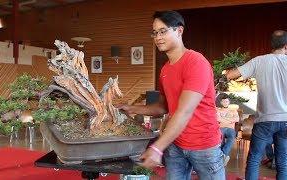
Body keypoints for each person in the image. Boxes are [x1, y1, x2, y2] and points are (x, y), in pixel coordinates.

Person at [117, 11, 225, 180]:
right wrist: (131, 108)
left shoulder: (196, 62)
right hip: (175, 144)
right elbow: (163, 107)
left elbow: (184, 111)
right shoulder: (165, 70)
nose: (157, 37)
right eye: (154, 33)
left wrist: (157, 148)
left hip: (204, 145)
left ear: (179, 31)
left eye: (163, 31)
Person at [226, 30, 287, 180]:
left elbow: (230, 75)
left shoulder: (259, 61)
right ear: (286, 46)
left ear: (271, 44)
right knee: (283, 162)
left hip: (265, 120)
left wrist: (225, 72)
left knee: (254, 160)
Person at [216, 93, 239, 166]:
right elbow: (217, 118)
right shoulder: (218, 110)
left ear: (229, 102)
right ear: (221, 102)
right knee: (220, 139)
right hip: (221, 128)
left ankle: (223, 155)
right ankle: (223, 158)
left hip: (230, 129)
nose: (225, 103)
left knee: (232, 137)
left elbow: (237, 119)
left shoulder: (233, 110)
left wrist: (223, 119)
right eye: (223, 101)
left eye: (227, 101)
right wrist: (230, 120)